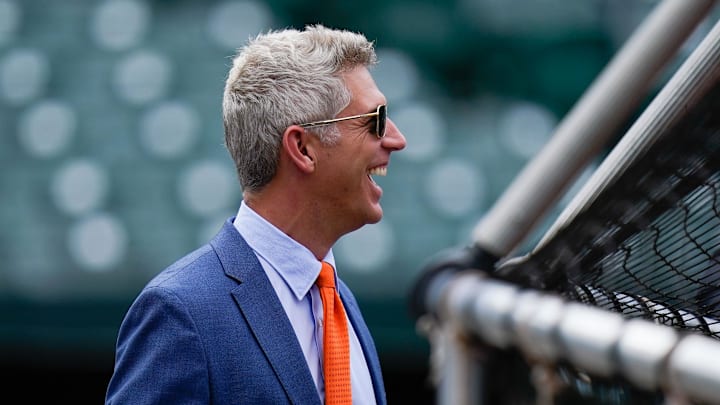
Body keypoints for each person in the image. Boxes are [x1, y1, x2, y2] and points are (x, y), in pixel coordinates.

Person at [105, 24, 406, 405]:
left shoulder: (340, 302)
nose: (397, 139)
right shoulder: (181, 312)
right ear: (303, 148)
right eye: (375, 119)